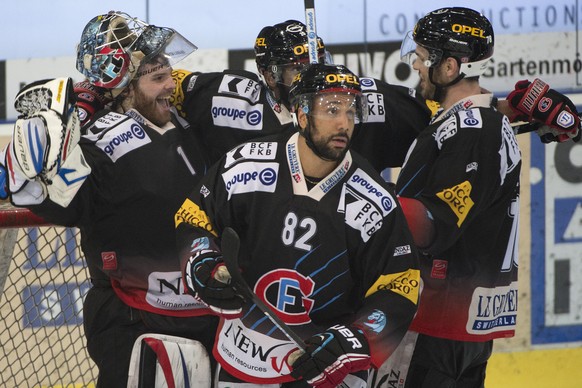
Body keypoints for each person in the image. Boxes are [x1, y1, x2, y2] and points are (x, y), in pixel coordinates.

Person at [0, 11, 218, 387]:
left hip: (209, 314)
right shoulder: (95, 142)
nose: (172, 84)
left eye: (170, 72)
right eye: (158, 77)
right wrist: (32, 185)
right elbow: (61, 204)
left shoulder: (183, 122)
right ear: (126, 86)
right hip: (135, 319)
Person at [174, 63, 421, 387]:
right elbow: (194, 216)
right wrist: (201, 259)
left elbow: (400, 285)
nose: (344, 122)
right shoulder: (245, 164)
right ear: (302, 115)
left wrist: (353, 340)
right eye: (332, 109)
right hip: (244, 356)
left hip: (327, 368)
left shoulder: (373, 199)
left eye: (350, 110)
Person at [370, 7, 526, 387]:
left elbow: (435, 225)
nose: (417, 67)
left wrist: (369, 196)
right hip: (463, 325)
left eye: (423, 58)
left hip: (437, 322)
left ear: (451, 67)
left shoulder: (470, 130)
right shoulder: (482, 120)